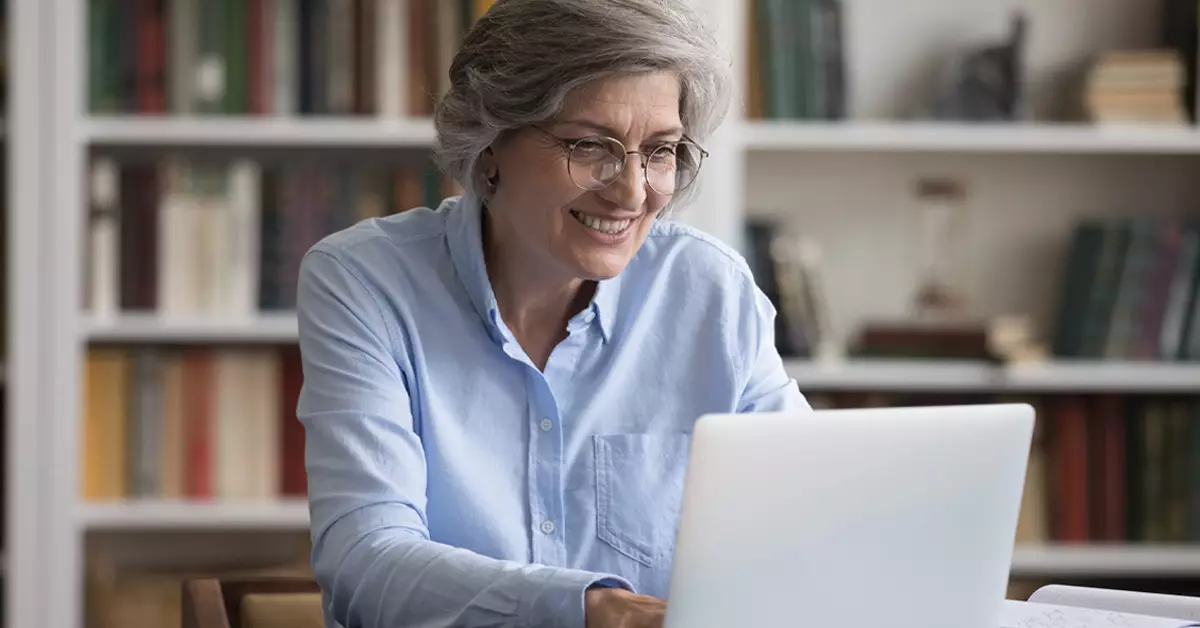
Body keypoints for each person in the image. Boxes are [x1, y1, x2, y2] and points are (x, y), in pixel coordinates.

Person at [294, 1, 811, 626]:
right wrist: (590, 611)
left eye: (661, 150)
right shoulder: (364, 282)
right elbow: (365, 563)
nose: (632, 191)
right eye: (590, 145)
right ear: (489, 147)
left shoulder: (712, 293)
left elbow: (810, 516)